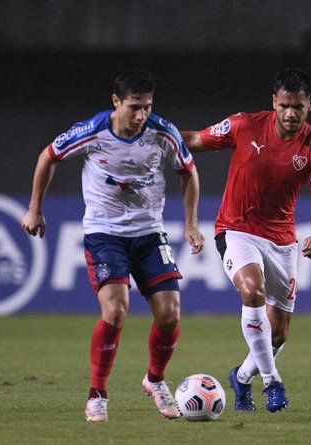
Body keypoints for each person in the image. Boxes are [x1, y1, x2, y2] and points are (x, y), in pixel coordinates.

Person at [21, 70, 205, 422]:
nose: (140, 116)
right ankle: (97, 395)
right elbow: (48, 157)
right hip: (104, 234)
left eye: (147, 108)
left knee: (170, 315)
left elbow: (188, 172)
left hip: (150, 233)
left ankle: (154, 380)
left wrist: (192, 224)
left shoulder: (161, 131)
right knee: (116, 311)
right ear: (116, 102)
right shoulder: (92, 131)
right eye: (134, 107)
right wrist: (34, 208)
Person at [180, 68, 311, 412]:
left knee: (277, 334)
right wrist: (157, 134)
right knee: (253, 291)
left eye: (298, 106)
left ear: (310, 104)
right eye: (284, 106)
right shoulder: (244, 125)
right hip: (236, 229)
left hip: (282, 241)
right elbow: (195, 141)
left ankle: (242, 377)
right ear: (274, 103)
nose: (291, 114)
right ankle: (273, 382)